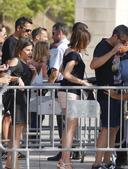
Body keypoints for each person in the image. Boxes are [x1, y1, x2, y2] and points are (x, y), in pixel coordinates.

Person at [90, 24, 128, 169]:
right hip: (106, 92)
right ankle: (97, 163)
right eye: (123, 41)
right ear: (115, 37)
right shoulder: (103, 46)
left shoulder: (121, 48)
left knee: (115, 127)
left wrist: (125, 50)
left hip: (118, 91)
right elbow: (93, 64)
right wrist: (113, 51)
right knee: (106, 128)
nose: (124, 44)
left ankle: (107, 161)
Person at [56, 27, 91, 169]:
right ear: (81, 40)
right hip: (70, 92)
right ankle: (66, 161)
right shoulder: (74, 55)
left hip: (66, 91)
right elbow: (66, 73)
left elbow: (60, 70)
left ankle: (63, 160)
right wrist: (82, 82)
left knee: (68, 128)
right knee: (70, 128)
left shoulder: (67, 51)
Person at [4, 39, 36, 169]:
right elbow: (6, 76)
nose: (30, 53)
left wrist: (33, 73)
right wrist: (17, 78)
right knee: (16, 136)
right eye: (27, 50)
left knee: (18, 136)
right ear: (19, 50)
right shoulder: (15, 60)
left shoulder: (25, 63)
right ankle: (13, 165)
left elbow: (27, 84)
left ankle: (10, 164)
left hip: (22, 100)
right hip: (15, 100)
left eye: (31, 50)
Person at [47, 22, 69, 161]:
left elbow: (54, 72)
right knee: (70, 120)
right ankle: (71, 150)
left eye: (54, 33)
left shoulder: (58, 48)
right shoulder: (70, 46)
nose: (52, 35)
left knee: (62, 120)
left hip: (60, 86)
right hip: (69, 87)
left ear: (60, 32)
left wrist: (48, 87)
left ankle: (63, 152)